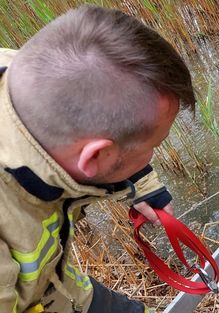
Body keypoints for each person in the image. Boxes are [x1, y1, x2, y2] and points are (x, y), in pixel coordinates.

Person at [0, 5, 196, 313]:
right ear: (95, 156)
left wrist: (143, 185)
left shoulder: (30, 73)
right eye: (154, 145)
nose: (153, 154)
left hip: (54, 287)